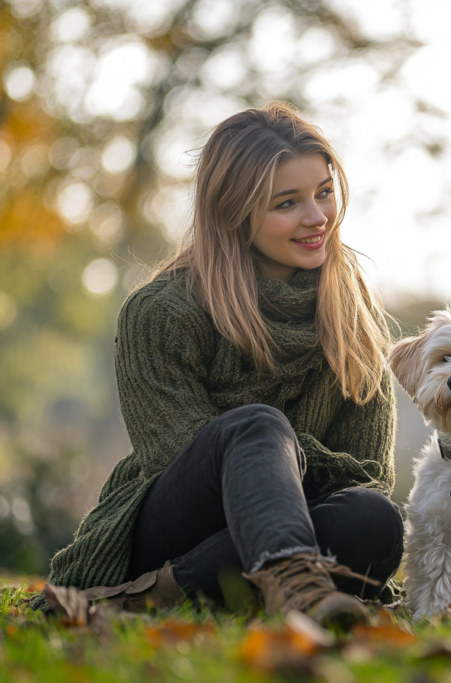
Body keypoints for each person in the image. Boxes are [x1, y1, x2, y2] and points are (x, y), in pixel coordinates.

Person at [43, 102, 403, 627]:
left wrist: (285, 480)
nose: (317, 217)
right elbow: (177, 457)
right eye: (288, 203)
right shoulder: (163, 312)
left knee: (373, 519)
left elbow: (368, 479)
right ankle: (295, 585)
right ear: (236, 213)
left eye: (324, 192)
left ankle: (161, 595)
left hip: (258, 539)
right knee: (256, 426)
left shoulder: (352, 316)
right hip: (173, 525)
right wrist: (279, 455)